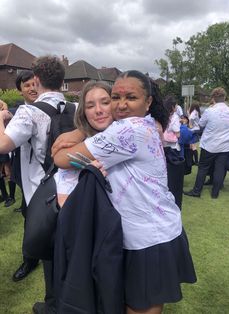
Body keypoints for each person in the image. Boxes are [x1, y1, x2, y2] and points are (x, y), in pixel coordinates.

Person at [53, 70, 197, 314]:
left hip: (147, 239)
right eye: (115, 97)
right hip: (153, 230)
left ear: (148, 102)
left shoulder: (128, 130)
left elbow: (61, 158)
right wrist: (81, 131)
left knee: (138, 308)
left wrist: (75, 133)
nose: (120, 105)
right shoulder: (150, 123)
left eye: (130, 97)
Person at [0, 55, 66, 314]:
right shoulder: (74, 107)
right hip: (71, 188)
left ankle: (53, 304)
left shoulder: (29, 111)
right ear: (62, 81)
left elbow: (3, 144)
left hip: (42, 191)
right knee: (67, 246)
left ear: (36, 80)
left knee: (48, 249)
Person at [10, 70, 40, 283]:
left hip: (47, 176)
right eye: (26, 85)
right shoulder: (15, 112)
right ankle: (30, 259)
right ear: (20, 89)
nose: (32, 88)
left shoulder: (54, 111)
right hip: (24, 174)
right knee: (29, 217)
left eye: (35, 84)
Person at [184, 87, 229, 199]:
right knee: (219, 169)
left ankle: (197, 191)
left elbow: (201, 124)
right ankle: (215, 193)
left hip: (210, 145)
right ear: (225, 97)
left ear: (213, 98)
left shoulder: (210, 111)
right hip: (226, 146)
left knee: (203, 168)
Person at [188, 101, 201, 165]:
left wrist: (190, 126)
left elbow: (190, 119)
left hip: (193, 130)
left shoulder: (194, 112)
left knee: (192, 145)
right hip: (197, 129)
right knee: (191, 145)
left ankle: (196, 161)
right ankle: (193, 161)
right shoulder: (197, 112)